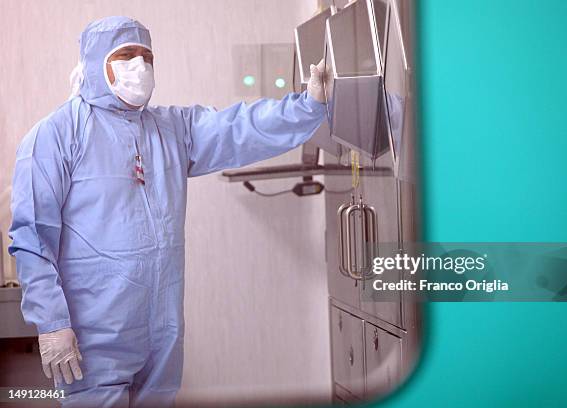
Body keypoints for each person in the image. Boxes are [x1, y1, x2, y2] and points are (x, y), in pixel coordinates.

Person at [8, 16, 327, 408]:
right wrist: (52, 323)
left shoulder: (171, 129)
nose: (139, 66)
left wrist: (311, 104)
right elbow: (32, 237)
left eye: (147, 56)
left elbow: (239, 126)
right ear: (95, 63)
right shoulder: (55, 136)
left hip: (163, 331)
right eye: (126, 55)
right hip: (93, 338)